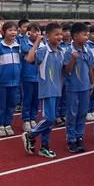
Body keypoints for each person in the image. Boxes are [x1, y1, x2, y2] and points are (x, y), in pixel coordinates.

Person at [22, 22, 65, 159]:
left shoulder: (61, 52)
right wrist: (37, 42)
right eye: (56, 34)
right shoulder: (43, 50)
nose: (59, 37)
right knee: (49, 118)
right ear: (47, 36)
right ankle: (30, 135)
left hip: (57, 89)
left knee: (50, 121)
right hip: (47, 89)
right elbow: (29, 59)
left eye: (60, 34)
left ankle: (44, 147)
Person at [63, 22, 94, 153]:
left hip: (85, 88)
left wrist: (92, 83)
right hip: (72, 88)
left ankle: (79, 136)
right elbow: (65, 71)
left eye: (87, 35)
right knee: (72, 114)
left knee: (82, 113)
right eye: (84, 35)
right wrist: (73, 59)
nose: (86, 37)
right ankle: (71, 139)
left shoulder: (87, 51)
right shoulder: (69, 51)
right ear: (75, 36)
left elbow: (91, 68)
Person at [0, 21, 21, 137]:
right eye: (10, 30)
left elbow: (22, 63)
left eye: (15, 30)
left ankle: (8, 123)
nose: (13, 32)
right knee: (1, 105)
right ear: (3, 32)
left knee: (12, 103)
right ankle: (0, 125)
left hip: (15, 81)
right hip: (2, 81)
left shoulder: (18, 47)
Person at [20, 23, 44, 132]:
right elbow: (25, 49)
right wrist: (26, 36)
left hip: (39, 77)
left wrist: (41, 41)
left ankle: (33, 118)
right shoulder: (25, 42)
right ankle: (26, 119)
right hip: (27, 76)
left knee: (36, 99)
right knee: (27, 98)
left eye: (38, 31)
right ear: (29, 33)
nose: (37, 34)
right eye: (34, 31)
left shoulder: (42, 44)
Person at [55, 22, 72, 127]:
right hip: (59, 74)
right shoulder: (58, 45)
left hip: (68, 74)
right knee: (58, 96)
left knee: (66, 95)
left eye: (68, 31)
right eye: (64, 31)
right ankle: (56, 115)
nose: (66, 33)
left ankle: (63, 113)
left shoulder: (72, 46)